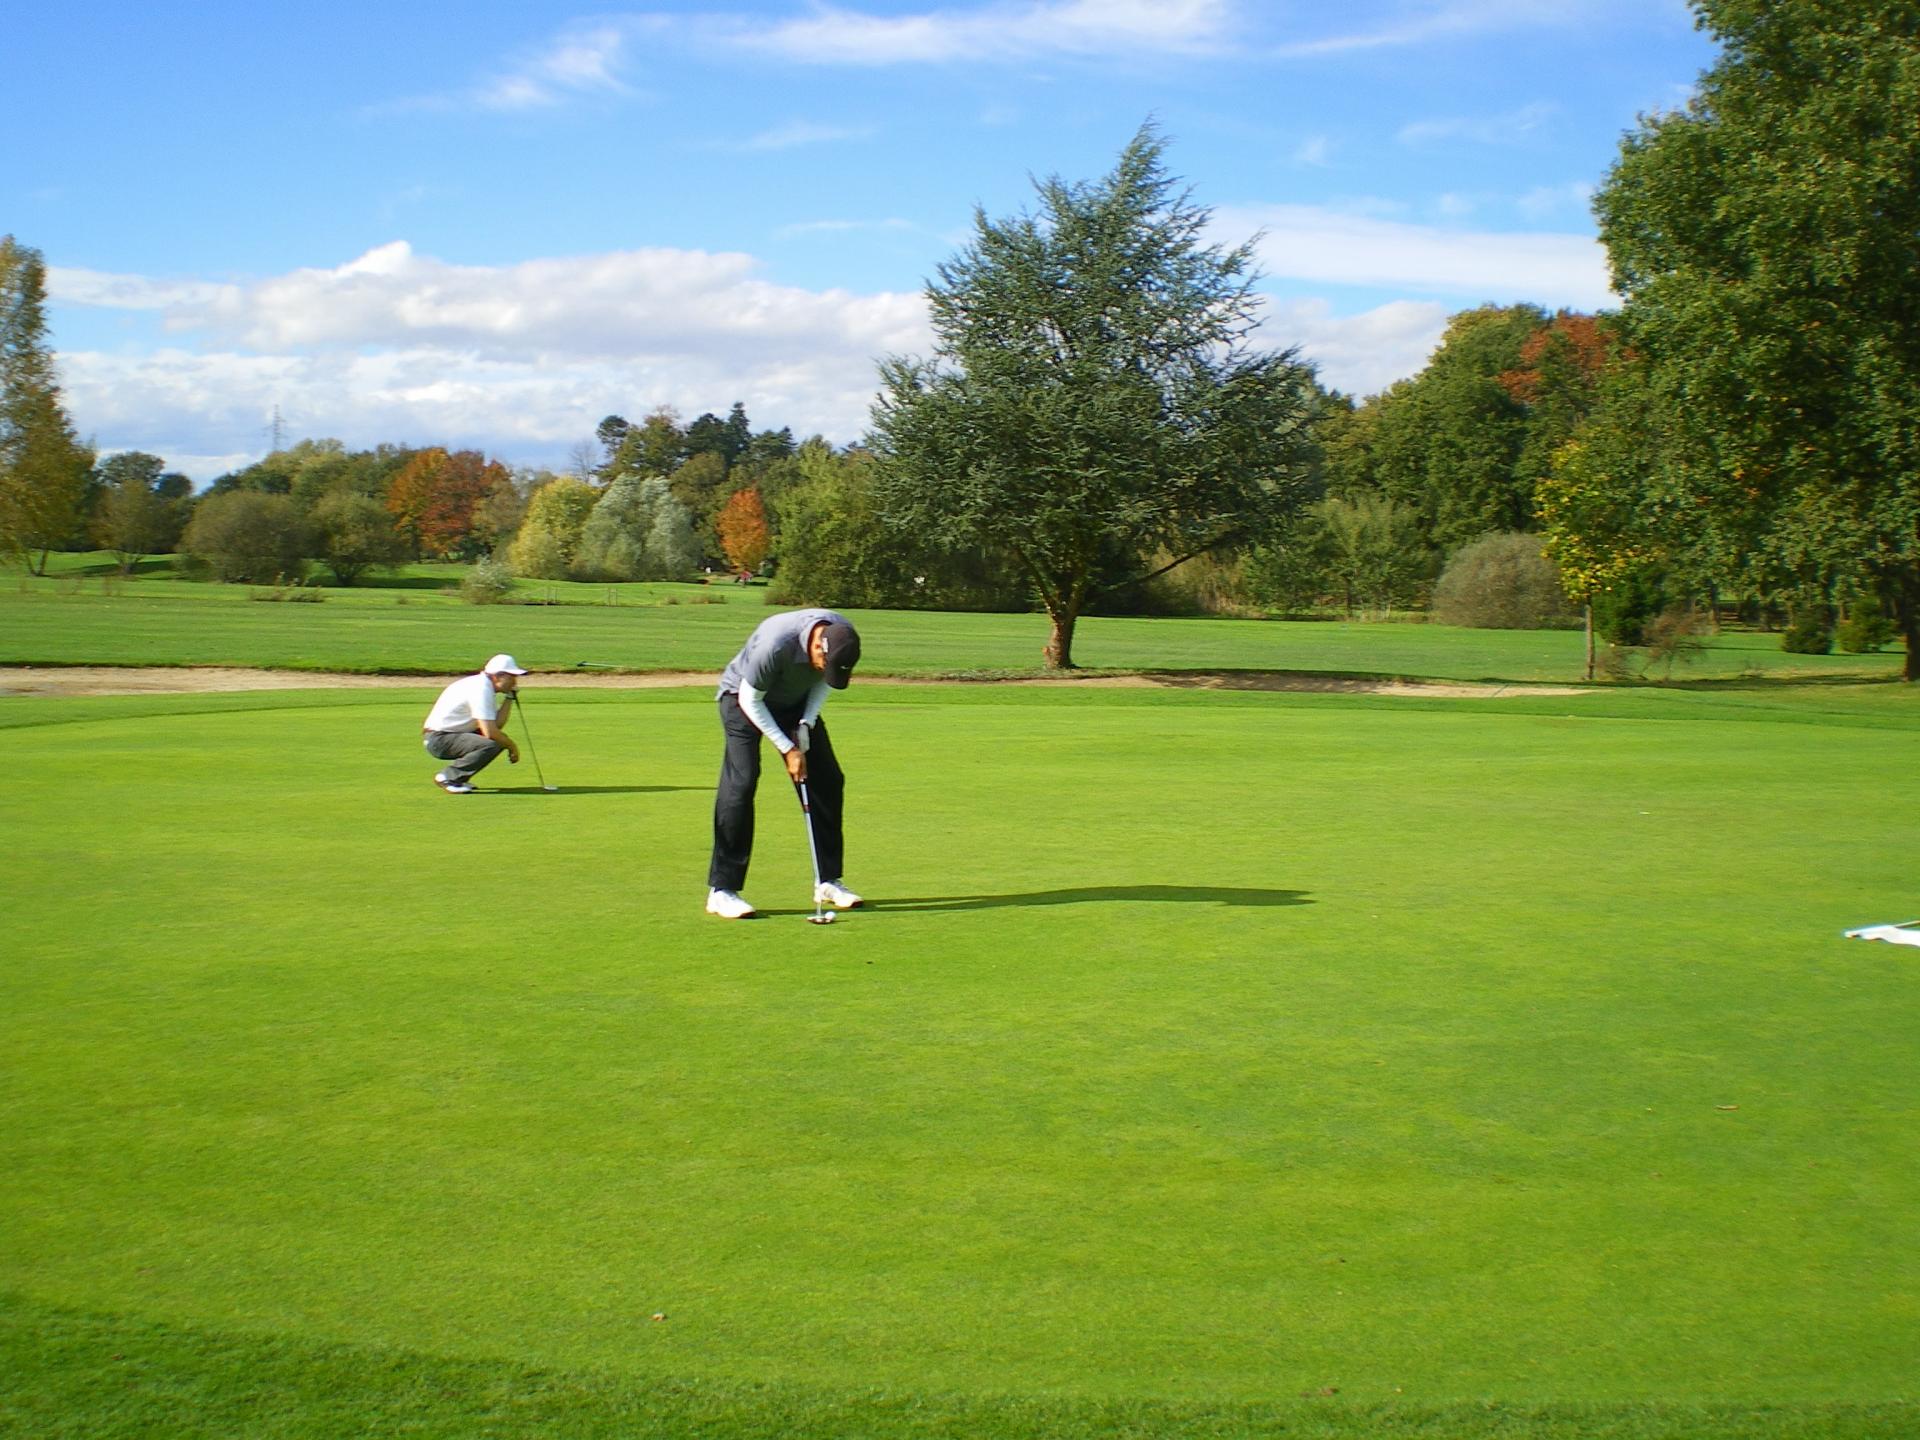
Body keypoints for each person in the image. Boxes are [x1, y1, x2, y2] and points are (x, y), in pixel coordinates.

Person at [707, 610, 863, 919]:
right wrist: (787, 748)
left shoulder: (842, 636)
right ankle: (722, 890)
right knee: (742, 781)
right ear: (816, 647)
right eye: (823, 664)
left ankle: (828, 880)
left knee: (828, 780)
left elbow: (823, 682)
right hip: (742, 699)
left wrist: (806, 723)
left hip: (794, 704)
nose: (825, 670)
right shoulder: (775, 644)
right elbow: (751, 701)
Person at [421, 654, 526, 793]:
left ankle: (459, 779)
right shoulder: (480, 689)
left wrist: (509, 697)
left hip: (451, 734)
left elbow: (496, 724)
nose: (514, 681)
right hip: (439, 739)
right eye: (511, 677)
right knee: (493, 743)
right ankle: (448, 777)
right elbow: (490, 732)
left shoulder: (484, 686)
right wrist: (512, 746)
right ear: (497, 676)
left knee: (499, 739)